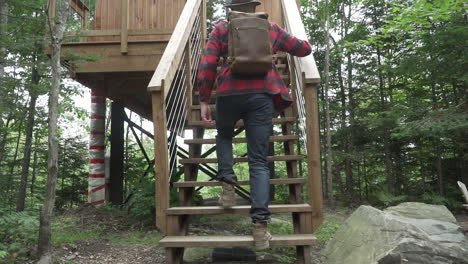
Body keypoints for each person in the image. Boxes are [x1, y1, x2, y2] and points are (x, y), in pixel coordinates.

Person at [195, 0, 312, 249]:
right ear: (254, 7)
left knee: (224, 136)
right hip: (262, 94)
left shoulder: (220, 29)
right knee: (258, 161)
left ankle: (227, 188)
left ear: (231, 8)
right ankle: (260, 228)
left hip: (228, 93)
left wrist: (204, 99)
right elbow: (303, 50)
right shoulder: (270, 27)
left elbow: (207, 65)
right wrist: (301, 39)